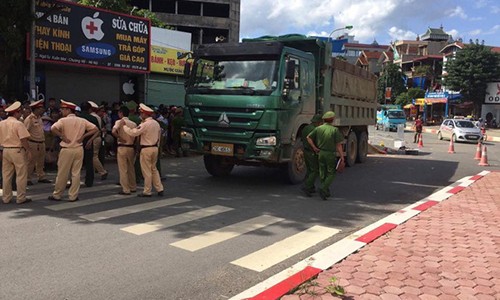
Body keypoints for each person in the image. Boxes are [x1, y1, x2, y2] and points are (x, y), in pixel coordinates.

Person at [48, 100, 98, 201]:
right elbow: (95, 129)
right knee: (76, 173)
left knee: (63, 173)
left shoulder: (63, 121)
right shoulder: (82, 120)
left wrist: (62, 136)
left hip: (67, 149)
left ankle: (57, 194)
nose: (61, 111)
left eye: (63, 109)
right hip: (79, 148)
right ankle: (73, 196)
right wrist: (83, 136)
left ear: (68, 110)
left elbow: (53, 128)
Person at [118, 103, 164, 197]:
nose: (140, 115)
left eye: (141, 113)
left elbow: (134, 133)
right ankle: (159, 188)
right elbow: (159, 136)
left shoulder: (145, 124)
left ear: (144, 114)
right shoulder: (156, 123)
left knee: (146, 171)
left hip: (146, 148)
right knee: (154, 169)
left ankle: (147, 191)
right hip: (155, 147)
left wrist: (125, 127)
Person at [306, 111, 344, 200]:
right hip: (330, 153)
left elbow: (308, 137)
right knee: (331, 173)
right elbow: (338, 145)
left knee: (322, 172)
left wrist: (314, 147)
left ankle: (325, 191)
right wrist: (342, 156)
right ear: (332, 120)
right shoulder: (334, 130)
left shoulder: (318, 128)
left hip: (320, 153)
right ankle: (323, 188)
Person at [0, 101, 32, 204]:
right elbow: (23, 139)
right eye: (20, 112)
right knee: (21, 174)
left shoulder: (2, 123)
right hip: (17, 150)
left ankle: (6, 197)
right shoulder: (18, 123)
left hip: (5, 150)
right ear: (16, 113)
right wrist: (28, 150)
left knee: (6, 175)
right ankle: (21, 197)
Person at [24, 100, 51, 185]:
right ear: (36, 109)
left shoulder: (39, 118)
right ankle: (28, 178)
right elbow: (25, 131)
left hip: (41, 142)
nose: (42, 110)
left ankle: (41, 176)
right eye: (40, 108)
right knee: (31, 162)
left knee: (41, 161)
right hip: (33, 143)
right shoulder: (29, 119)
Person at [112, 106, 137, 195]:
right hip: (131, 147)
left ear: (121, 113)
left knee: (123, 169)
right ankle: (133, 186)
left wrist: (120, 137)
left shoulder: (119, 122)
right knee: (131, 168)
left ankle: (126, 189)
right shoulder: (133, 124)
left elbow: (113, 131)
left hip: (122, 147)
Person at [78, 102, 100, 187]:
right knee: (89, 162)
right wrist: (91, 140)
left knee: (76, 163)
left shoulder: (77, 118)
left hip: (78, 142)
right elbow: (97, 131)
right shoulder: (93, 118)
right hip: (88, 142)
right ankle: (89, 181)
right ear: (89, 109)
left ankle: (74, 180)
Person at [300, 114, 323, 197]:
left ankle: (310, 186)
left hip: (305, 150)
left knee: (309, 169)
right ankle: (308, 186)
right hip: (312, 151)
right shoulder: (315, 130)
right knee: (315, 170)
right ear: (318, 122)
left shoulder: (306, 128)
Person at [88, 101, 108, 179]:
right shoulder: (98, 117)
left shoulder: (93, 117)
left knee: (94, 156)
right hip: (98, 137)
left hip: (94, 137)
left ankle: (102, 171)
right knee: (95, 155)